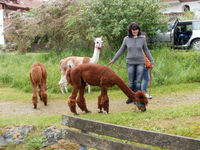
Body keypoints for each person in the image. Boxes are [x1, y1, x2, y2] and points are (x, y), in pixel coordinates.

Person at [108, 22, 154, 104]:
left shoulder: (142, 39)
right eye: (133, 30)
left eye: (136, 29)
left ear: (138, 30)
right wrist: (113, 60)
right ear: (130, 30)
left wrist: (151, 61)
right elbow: (121, 50)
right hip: (130, 63)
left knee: (138, 82)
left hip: (140, 62)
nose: (135, 31)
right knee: (131, 81)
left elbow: (146, 50)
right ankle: (131, 97)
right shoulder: (126, 39)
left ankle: (138, 98)